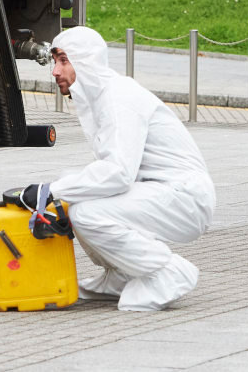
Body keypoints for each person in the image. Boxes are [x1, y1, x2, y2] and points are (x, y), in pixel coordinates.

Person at [22, 26, 216, 311]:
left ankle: (168, 271)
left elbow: (119, 173)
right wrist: (59, 193)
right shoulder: (104, 97)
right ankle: (122, 275)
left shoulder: (118, 99)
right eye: (54, 62)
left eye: (63, 61)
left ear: (85, 62)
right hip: (167, 191)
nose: (55, 71)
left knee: (85, 213)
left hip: (185, 197)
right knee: (74, 196)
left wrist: (50, 191)